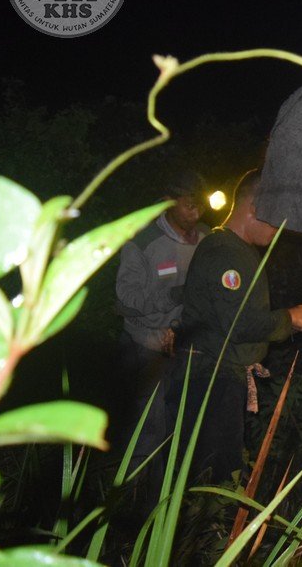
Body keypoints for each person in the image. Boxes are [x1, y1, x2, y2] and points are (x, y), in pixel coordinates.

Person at [171, 169, 302, 483]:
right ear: (256, 206)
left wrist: (295, 325)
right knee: (216, 480)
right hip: (210, 381)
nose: (280, 229)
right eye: (277, 219)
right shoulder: (225, 252)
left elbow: (239, 320)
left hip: (220, 379)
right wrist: (290, 317)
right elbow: (239, 324)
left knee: (221, 474)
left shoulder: (239, 252)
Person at [114, 169, 209, 495]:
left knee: (181, 427)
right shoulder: (142, 241)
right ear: (169, 202)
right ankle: (131, 501)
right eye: (189, 205)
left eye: (200, 205)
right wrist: (171, 296)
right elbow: (125, 300)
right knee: (148, 430)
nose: (196, 212)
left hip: (187, 347)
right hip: (145, 347)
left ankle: (168, 498)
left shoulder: (207, 239)